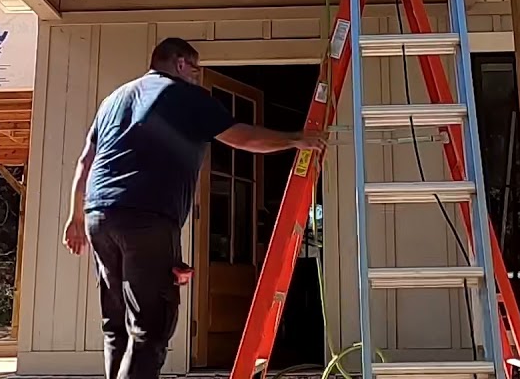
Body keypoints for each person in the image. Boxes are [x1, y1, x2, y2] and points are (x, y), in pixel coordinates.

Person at [62, 37, 325, 379]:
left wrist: (75, 217)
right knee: (150, 327)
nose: (199, 78)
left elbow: (85, 161)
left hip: (100, 215)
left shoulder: (114, 99)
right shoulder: (183, 94)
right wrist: (294, 139)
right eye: (197, 70)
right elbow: (239, 136)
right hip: (148, 216)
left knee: (117, 324)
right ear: (181, 64)